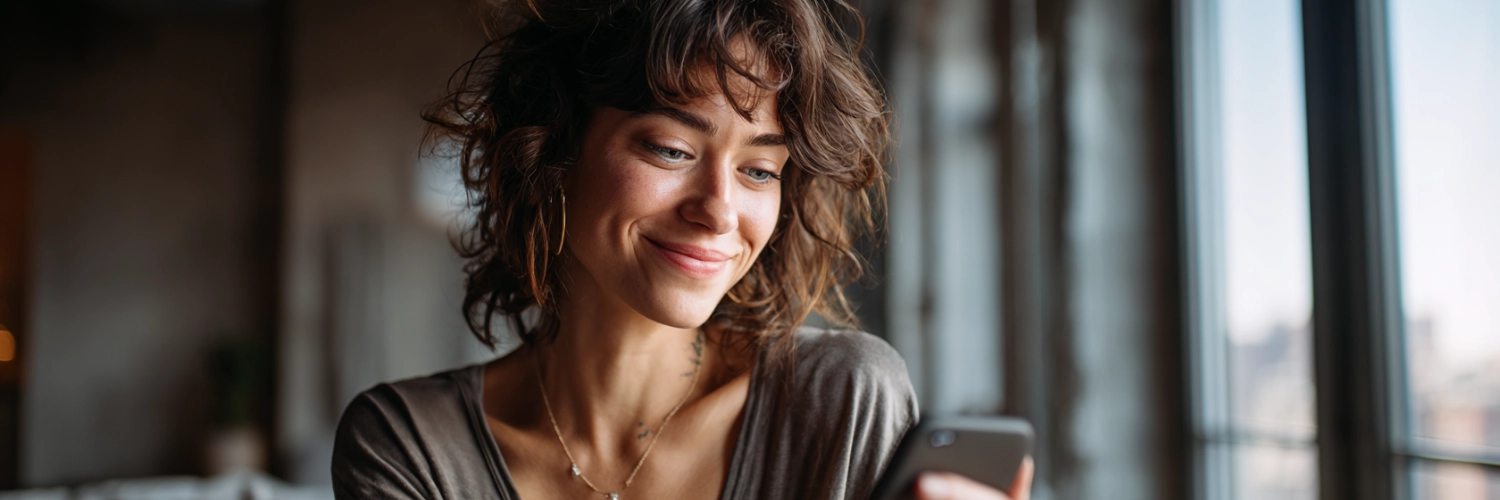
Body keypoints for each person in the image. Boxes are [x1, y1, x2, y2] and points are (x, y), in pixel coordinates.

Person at [331, 0, 1033, 498]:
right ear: (553, 148)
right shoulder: (409, 448)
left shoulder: (841, 401)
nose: (720, 210)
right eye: (671, 149)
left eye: (760, 169)